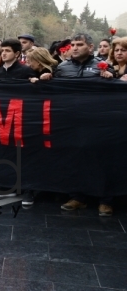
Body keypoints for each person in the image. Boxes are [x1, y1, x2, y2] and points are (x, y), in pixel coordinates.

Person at [56, 33, 115, 216]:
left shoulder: (102, 66)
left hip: (98, 122)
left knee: (101, 160)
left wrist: (110, 78)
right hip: (71, 123)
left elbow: (114, 92)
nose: (74, 47)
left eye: (79, 44)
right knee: (75, 160)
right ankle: (77, 197)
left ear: (90, 47)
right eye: (72, 44)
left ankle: (105, 200)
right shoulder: (62, 68)